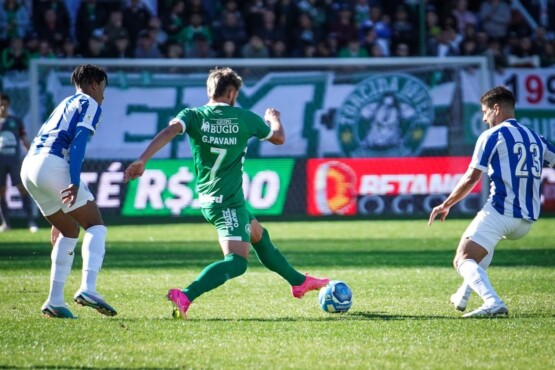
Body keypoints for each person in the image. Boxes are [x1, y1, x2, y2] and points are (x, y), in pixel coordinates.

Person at [124, 67, 329, 319]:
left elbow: (169, 131)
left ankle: (299, 282)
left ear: (210, 90)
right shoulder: (244, 118)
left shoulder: (193, 115)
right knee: (237, 262)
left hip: (213, 198)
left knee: (258, 235)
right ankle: (186, 295)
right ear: (232, 92)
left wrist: (143, 159)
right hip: (227, 204)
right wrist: (273, 118)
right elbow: (279, 138)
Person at [428, 86, 555, 318]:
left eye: (485, 112)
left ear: (496, 108)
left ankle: (492, 301)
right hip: (528, 219)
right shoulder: (536, 138)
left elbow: (471, 178)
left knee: (463, 258)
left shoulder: (492, 136)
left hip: (501, 210)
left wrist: (446, 203)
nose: (484, 118)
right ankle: (463, 296)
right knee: (481, 248)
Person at [20, 64, 117, 319]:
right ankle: (88, 288)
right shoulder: (89, 103)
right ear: (94, 84)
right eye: (103, 89)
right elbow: (78, 142)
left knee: (69, 229)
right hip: (52, 164)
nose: (103, 96)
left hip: (29, 166)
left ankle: (54, 300)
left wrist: (59, 202)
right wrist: (73, 180)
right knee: (95, 223)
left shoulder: (65, 103)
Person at [0, 92, 37, 232]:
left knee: (21, 188)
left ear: (8, 104)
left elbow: (24, 138)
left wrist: (32, 152)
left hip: (14, 161)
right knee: (1, 191)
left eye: (4, 104)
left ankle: (31, 221)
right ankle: (6, 223)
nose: (2, 107)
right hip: (0, 162)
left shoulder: (15, 121)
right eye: (0, 105)